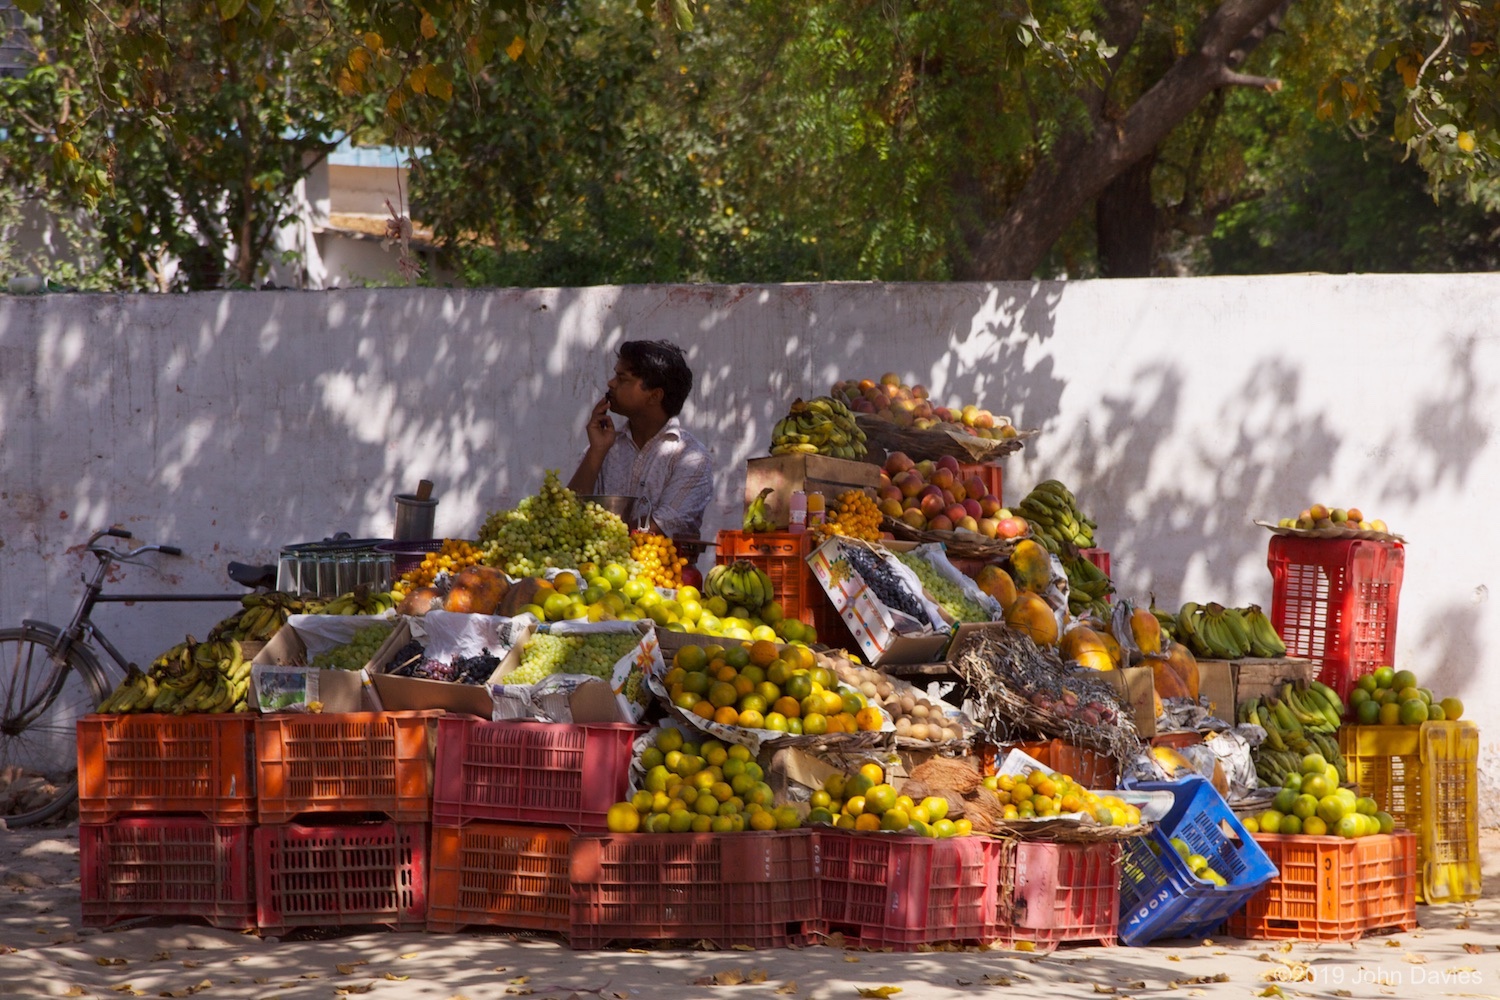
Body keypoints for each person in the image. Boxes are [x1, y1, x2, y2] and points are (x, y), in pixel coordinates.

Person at [567, 340, 715, 540]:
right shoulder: (607, 446)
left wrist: (598, 534)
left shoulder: (690, 457)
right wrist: (597, 451)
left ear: (654, 396)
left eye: (622, 378)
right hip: (595, 569)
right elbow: (568, 512)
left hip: (660, 570)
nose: (611, 383)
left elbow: (662, 525)